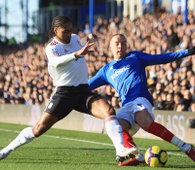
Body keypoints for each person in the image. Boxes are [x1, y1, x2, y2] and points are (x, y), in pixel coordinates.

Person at [0, 16, 137, 162]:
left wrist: (89, 41)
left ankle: (120, 150)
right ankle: (5, 150)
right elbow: (57, 62)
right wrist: (77, 54)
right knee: (38, 129)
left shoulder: (75, 38)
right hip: (64, 94)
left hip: (83, 91)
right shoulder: (52, 47)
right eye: (65, 31)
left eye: (71, 30)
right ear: (56, 30)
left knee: (109, 111)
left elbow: (81, 48)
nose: (69, 34)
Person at [88, 34, 195, 166]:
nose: (120, 46)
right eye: (116, 43)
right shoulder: (106, 70)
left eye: (123, 43)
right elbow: (85, 86)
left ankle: (187, 148)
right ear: (110, 47)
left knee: (145, 122)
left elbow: (161, 58)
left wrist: (187, 52)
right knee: (117, 128)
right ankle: (136, 155)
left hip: (140, 98)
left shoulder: (135, 57)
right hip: (126, 104)